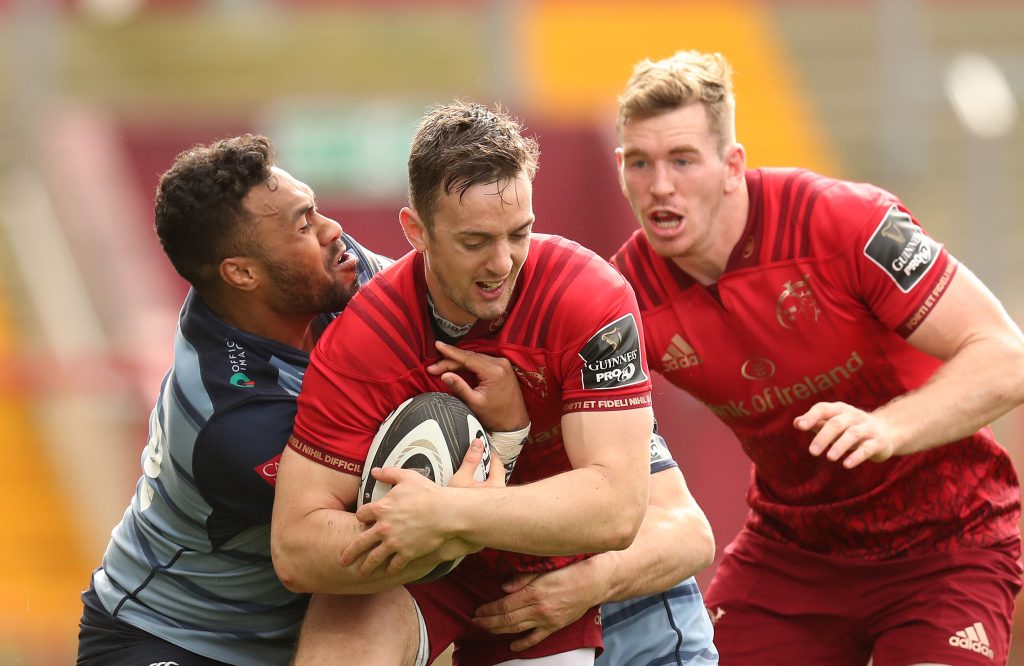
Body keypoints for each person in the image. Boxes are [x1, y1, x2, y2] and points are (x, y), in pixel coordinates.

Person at [609, 49, 1024, 665]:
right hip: (792, 557)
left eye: (682, 160)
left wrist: (888, 425)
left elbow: (1006, 357)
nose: (660, 185)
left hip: (948, 544)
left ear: (731, 165)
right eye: (640, 163)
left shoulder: (843, 221)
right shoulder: (624, 291)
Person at [270, 100, 661, 666]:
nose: (503, 262)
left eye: (519, 233)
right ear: (415, 231)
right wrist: (422, 533)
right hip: (407, 572)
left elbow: (618, 511)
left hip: (540, 568)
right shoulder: (366, 336)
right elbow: (295, 547)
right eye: (475, 242)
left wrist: (447, 515)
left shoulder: (592, 299)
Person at [75, 133, 412, 665]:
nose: (333, 230)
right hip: (168, 635)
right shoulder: (233, 420)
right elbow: (379, 513)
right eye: (304, 226)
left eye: (315, 210)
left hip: (291, 633)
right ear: (242, 273)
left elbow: (452, 309)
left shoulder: (332, 275)